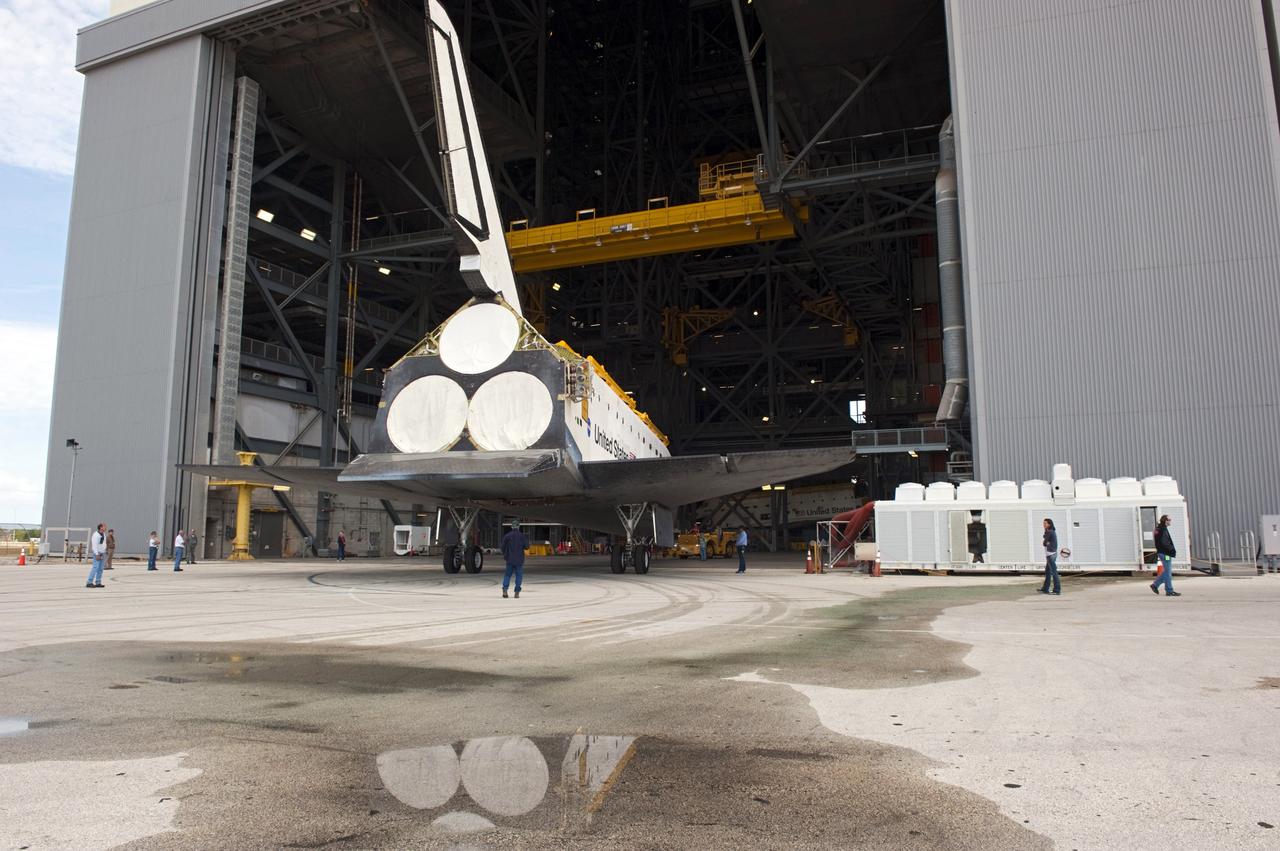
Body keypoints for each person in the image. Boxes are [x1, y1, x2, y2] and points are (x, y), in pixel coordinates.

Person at [1150, 514, 1181, 596]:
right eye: (1169, 520)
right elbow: (1165, 542)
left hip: (1161, 552)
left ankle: (1155, 585)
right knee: (1168, 573)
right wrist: (1172, 549)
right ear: (1165, 521)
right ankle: (1169, 591)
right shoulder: (1163, 529)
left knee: (1167, 572)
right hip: (1165, 553)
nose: (1170, 521)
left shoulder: (1158, 529)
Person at [500, 520, 529, 598]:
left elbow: (502, 547)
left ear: (511, 527)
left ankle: (505, 590)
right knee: (519, 576)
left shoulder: (507, 536)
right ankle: (517, 592)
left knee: (507, 575)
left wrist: (506, 554)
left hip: (509, 559)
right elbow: (527, 547)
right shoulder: (522, 536)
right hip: (519, 560)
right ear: (518, 527)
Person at [1039, 518, 1060, 595]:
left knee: (1054, 572)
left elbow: (1044, 543)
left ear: (1049, 524)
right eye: (1043, 523)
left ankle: (1057, 590)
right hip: (1050, 554)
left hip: (1051, 555)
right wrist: (1046, 541)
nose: (1043, 525)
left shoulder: (1050, 532)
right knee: (1048, 572)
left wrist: (1046, 542)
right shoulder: (1049, 531)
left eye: (1045, 523)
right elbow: (1045, 539)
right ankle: (1045, 588)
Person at [86, 523, 107, 588]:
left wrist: (104, 550)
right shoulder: (96, 535)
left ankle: (98, 582)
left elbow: (103, 543)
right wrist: (96, 554)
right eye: (104, 526)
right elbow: (94, 545)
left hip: (102, 553)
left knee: (101, 568)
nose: (105, 527)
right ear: (101, 527)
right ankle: (89, 582)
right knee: (95, 568)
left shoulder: (103, 534)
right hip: (97, 553)